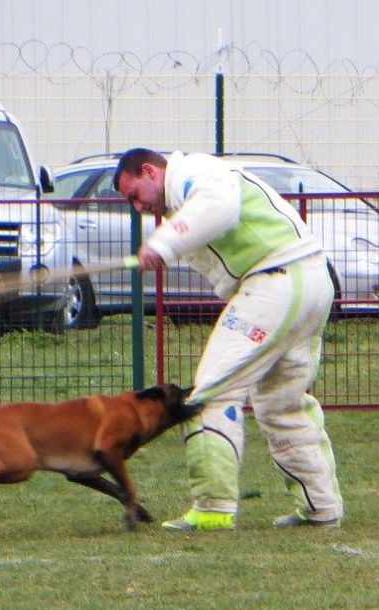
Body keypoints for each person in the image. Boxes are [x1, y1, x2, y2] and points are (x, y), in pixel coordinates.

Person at [113, 148, 343, 531]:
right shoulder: (189, 192)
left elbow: (219, 206)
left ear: (150, 172)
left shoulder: (193, 174)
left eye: (135, 195)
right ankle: (321, 507)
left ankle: (213, 508)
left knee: (209, 393)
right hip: (307, 280)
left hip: (277, 280)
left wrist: (164, 243)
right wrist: (167, 241)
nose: (138, 208)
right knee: (282, 403)